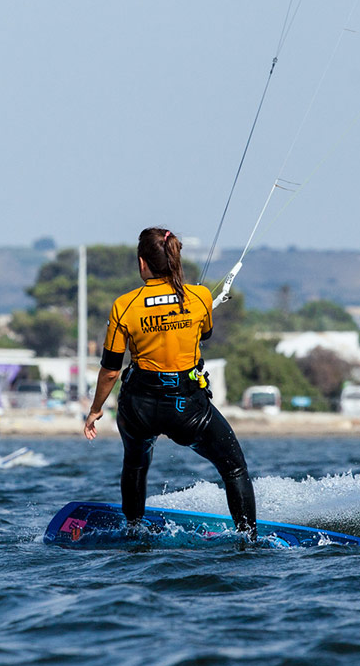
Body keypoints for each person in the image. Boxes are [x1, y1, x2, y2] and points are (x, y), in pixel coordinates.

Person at [83, 227, 257, 540]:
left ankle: (133, 530)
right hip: (187, 408)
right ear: (175, 258)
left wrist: (96, 409)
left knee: (135, 463)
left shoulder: (124, 305)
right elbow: (205, 334)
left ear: (142, 263)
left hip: (139, 407)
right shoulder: (200, 296)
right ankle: (248, 538)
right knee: (234, 468)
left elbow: (110, 370)